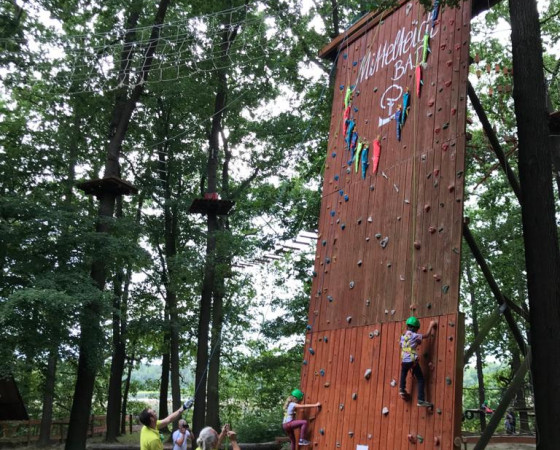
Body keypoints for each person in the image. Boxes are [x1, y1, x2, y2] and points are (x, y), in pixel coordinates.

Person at [399, 316, 437, 407]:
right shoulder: (415, 335)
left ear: (408, 326)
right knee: (420, 379)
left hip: (404, 360)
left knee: (403, 373)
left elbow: (402, 346)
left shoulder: (403, 336)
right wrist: (431, 325)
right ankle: (420, 400)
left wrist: (415, 343)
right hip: (412, 361)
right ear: (416, 328)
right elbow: (427, 335)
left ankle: (402, 389)